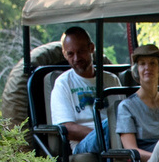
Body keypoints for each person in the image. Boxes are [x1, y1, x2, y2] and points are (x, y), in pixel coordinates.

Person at [49, 26, 120, 155]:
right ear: (64, 54)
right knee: (108, 127)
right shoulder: (63, 84)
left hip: (116, 135)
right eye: (70, 54)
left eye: (81, 51)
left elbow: (123, 114)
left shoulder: (111, 80)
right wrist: (104, 134)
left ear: (91, 48)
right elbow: (66, 128)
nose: (76, 58)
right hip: (85, 143)